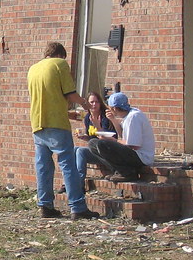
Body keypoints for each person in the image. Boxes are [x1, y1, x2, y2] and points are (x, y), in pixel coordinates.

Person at [27, 42, 93, 219]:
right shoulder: (60, 65)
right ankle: (77, 207)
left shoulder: (33, 69)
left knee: (43, 166)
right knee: (68, 165)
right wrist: (85, 104)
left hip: (38, 123)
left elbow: (48, 97)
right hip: (56, 123)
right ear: (61, 55)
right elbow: (70, 94)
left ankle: (45, 205)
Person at [83, 92, 156, 182]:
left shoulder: (133, 118)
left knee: (103, 144)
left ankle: (128, 173)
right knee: (93, 143)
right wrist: (113, 120)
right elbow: (122, 134)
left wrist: (113, 140)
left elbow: (133, 145)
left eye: (109, 108)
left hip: (141, 157)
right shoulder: (127, 117)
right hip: (133, 153)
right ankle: (119, 171)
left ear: (114, 108)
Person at [74, 91, 112, 187]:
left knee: (81, 152)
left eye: (97, 102)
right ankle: (68, 182)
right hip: (95, 150)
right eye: (91, 102)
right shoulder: (88, 117)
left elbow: (106, 140)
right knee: (73, 150)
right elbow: (93, 139)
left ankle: (79, 185)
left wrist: (97, 125)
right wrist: (85, 137)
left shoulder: (104, 117)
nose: (94, 104)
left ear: (100, 103)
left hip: (107, 153)